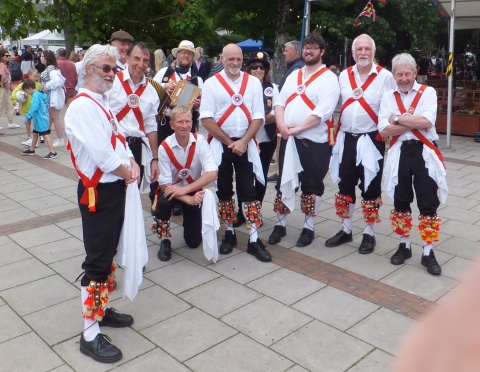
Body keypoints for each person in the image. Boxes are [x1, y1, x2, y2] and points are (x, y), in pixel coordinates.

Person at [65, 43, 140, 364]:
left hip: (114, 188)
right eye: (106, 69)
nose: (113, 74)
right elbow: (103, 155)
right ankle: (89, 333)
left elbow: (120, 140)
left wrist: (133, 163)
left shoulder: (102, 102)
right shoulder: (82, 106)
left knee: (106, 254)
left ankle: (100, 309)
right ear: (88, 69)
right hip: (99, 191)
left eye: (114, 69)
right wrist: (128, 172)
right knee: (97, 260)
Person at [200, 43, 272, 262]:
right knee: (224, 190)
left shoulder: (252, 83)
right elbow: (206, 118)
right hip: (221, 144)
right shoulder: (212, 84)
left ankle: (253, 238)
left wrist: (243, 141)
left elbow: (259, 116)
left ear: (242, 60)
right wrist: (229, 141)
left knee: (249, 191)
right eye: (230, 59)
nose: (235, 63)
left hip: (246, 143)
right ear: (222, 59)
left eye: (238, 59)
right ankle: (229, 233)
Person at [268, 32, 340, 248]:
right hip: (289, 139)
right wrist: (281, 125)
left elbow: (323, 112)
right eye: (306, 47)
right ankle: (280, 224)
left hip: (313, 142)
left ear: (322, 52)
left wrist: (296, 128)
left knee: (312, 185)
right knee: (284, 182)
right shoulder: (294, 74)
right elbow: (279, 103)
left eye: (314, 47)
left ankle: (308, 227)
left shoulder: (329, 78)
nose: (309, 50)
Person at [378, 53, 448, 276]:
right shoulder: (388, 96)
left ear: (415, 72)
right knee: (401, 198)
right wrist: (410, 121)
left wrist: (396, 119)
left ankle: (428, 251)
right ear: (394, 75)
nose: (404, 78)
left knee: (428, 201)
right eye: (399, 74)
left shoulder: (428, 92)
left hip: (424, 151)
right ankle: (404, 245)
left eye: (408, 73)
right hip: (400, 151)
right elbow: (383, 130)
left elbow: (427, 121)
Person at [326, 34, 395, 254]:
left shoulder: (385, 76)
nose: (363, 52)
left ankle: (369, 233)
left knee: (370, 187)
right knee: (345, 185)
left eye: (367, 49)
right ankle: (346, 230)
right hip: (346, 138)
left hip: (371, 139)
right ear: (353, 52)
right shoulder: (344, 76)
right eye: (359, 49)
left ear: (373, 52)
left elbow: (393, 106)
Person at [153, 106, 218, 261]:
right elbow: (164, 184)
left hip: (191, 189)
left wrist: (187, 191)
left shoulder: (200, 142)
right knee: (163, 203)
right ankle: (164, 240)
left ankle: (193, 224)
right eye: (180, 122)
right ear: (172, 125)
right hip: (171, 190)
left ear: (192, 122)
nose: (184, 125)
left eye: (187, 121)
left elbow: (212, 173)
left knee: (193, 242)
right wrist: (187, 198)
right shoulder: (164, 147)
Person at [153, 40, 203, 215]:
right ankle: (159, 197)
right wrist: (163, 88)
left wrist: (197, 103)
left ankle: (180, 196)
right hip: (165, 125)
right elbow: (150, 94)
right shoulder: (163, 73)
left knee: (183, 162)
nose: (185, 55)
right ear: (177, 54)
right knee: (161, 162)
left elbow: (201, 104)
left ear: (192, 57)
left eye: (189, 54)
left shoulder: (198, 79)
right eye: (183, 52)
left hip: (185, 127)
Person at [234, 51, 279, 227]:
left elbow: (277, 111)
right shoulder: (241, 87)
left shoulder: (272, 88)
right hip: (245, 139)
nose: (258, 70)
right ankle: (241, 210)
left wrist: (259, 120)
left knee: (261, 176)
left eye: (262, 67)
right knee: (243, 176)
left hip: (266, 139)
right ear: (249, 69)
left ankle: (255, 209)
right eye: (254, 67)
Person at [110, 42, 160, 189]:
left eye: (145, 60)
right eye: (137, 58)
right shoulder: (112, 81)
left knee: (133, 195)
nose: (141, 64)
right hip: (114, 145)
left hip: (137, 147)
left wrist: (155, 159)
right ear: (127, 58)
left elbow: (151, 127)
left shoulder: (151, 91)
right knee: (113, 194)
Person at [267, 40, 304, 183]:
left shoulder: (296, 70)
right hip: (285, 112)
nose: (283, 53)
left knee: (281, 141)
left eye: (286, 50)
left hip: (287, 114)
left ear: (295, 52)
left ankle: (282, 171)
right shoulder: (295, 67)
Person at [20, 79, 57, 159]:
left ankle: (53, 151)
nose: (27, 94)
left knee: (44, 134)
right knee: (35, 133)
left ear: (29, 88)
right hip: (41, 118)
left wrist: (28, 117)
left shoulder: (36, 95)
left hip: (41, 118)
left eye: (26, 91)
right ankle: (32, 149)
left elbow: (34, 107)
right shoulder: (41, 93)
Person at [40, 50, 66, 148]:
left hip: (51, 97)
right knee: (52, 117)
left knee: (54, 117)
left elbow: (57, 80)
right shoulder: (51, 68)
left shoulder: (51, 68)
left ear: (47, 57)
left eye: (42, 56)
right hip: (49, 96)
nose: (41, 58)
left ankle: (60, 139)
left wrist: (47, 86)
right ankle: (44, 135)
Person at [12, 68, 42, 146]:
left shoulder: (38, 85)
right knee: (27, 122)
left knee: (37, 122)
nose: (36, 78)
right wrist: (14, 99)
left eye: (37, 76)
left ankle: (39, 136)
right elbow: (15, 91)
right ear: (29, 75)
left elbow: (40, 94)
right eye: (34, 76)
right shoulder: (23, 84)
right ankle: (29, 136)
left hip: (36, 108)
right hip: (27, 107)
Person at [0, 51, 18, 129]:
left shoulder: (6, 66)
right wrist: (7, 85)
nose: (8, 57)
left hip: (6, 88)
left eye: (9, 55)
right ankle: (10, 122)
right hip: (3, 88)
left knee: (10, 104)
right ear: (2, 57)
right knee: (1, 105)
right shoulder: (2, 66)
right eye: (6, 56)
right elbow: (3, 77)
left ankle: (11, 122)